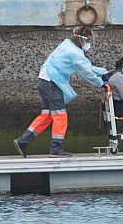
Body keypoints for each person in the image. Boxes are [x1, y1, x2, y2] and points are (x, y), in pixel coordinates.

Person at [13, 27, 108, 158]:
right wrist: (101, 83)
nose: (89, 44)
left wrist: (104, 71)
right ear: (82, 39)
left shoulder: (67, 45)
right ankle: (56, 149)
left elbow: (87, 67)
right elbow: (86, 72)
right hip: (52, 83)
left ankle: (23, 141)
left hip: (44, 81)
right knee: (60, 116)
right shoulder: (75, 53)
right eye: (89, 40)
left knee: (47, 115)